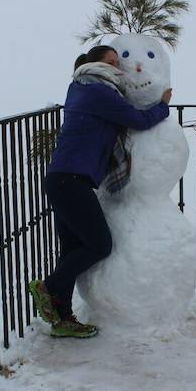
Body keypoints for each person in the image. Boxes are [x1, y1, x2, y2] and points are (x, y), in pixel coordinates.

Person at [28, 45, 173, 338]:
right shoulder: (99, 92)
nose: (119, 67)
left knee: (72, 249)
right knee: (99, 245)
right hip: (71, 180)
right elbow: (138, 119)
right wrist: (163, 104)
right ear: (97, 64)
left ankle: (63, 318)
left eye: (118, 62)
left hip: (64, 178)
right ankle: (49, 287)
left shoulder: (81, 87)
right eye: (112, 62)